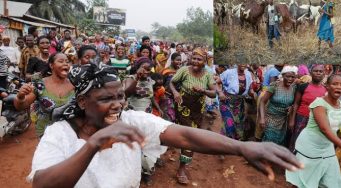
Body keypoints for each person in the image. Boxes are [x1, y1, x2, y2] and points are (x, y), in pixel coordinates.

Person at [28, 63, 303, 188]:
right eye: (105, 99)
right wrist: (94, 144)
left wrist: (242, 147)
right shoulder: (60, 134)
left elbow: (184, 135)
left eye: (120, 96)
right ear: (84, 101)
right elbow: (43, 184)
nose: (117, 104)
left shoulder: (132, 121)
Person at [286, 74, 341, 188]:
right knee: (304, 180)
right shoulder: (319, 104)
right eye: (334, 84)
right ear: (327, 86)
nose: (339, 87)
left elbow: (336, 128)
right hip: (310, 147)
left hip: (326, 147)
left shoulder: (340, 104)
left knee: (332, 181)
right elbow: (325, 129)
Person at [170, 47, 217, 184]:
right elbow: (172, 82)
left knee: (191, 136)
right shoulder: (184, 70)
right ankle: (182, 169)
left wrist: (203, 90)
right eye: (194, 58)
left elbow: (214, 93)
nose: (196, 61)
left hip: (198, 109)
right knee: (189, 137)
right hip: (183, 106)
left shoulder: (208, 74)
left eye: (199, 59)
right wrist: (175, 93)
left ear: (204, 61)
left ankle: (182, 163)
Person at [14, 53, 74, 138]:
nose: (65, 64)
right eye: (61, 61)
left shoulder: (75, 84)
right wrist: (20, 96)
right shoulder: (40, 84)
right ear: (51, 65)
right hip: (46, 135)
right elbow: (22, 105)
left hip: (71, 133)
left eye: (67, 62)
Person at [288, 64, 326, 151]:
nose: (318, 73)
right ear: (311, 73)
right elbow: (296, 104)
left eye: (320, 71)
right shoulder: (303, 86)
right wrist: (292, 120)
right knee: (297, 140)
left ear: (324, 74)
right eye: (315, 71)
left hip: (317, 120)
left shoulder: (325, 89)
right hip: (301, 118)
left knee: (311, 142)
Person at [259, 66, 297, 146]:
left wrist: (291, 107)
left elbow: (294, 103)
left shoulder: (293, 88)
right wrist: (262, 118)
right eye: (288, 76)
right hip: (271, 118)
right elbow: (262, 101)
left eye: (292, 77)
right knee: (270, 140)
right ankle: (265, 157)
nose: (290, 79)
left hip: (283, 120)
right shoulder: (274, 86)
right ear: (283, 76)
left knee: (280, 141)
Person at [218, 64, 254, 141]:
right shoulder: (228, 72)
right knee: (229, 124)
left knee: (239, 126)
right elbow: (216, 81)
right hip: (227, 101)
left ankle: (235, 145)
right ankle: (226, 145)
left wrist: (253, 92)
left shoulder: (248, 74)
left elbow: (250, 90)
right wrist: (220, 92)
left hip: (239, 104)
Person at [160, 52, 182, 122]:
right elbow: (160, 84)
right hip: (167, 96)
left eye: (180, 60)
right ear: (172, 60)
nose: (179, 62)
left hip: (178, 96)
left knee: (178, 115)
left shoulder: (181, 71)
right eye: (177, 60)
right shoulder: (165, 71)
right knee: (169, 116)